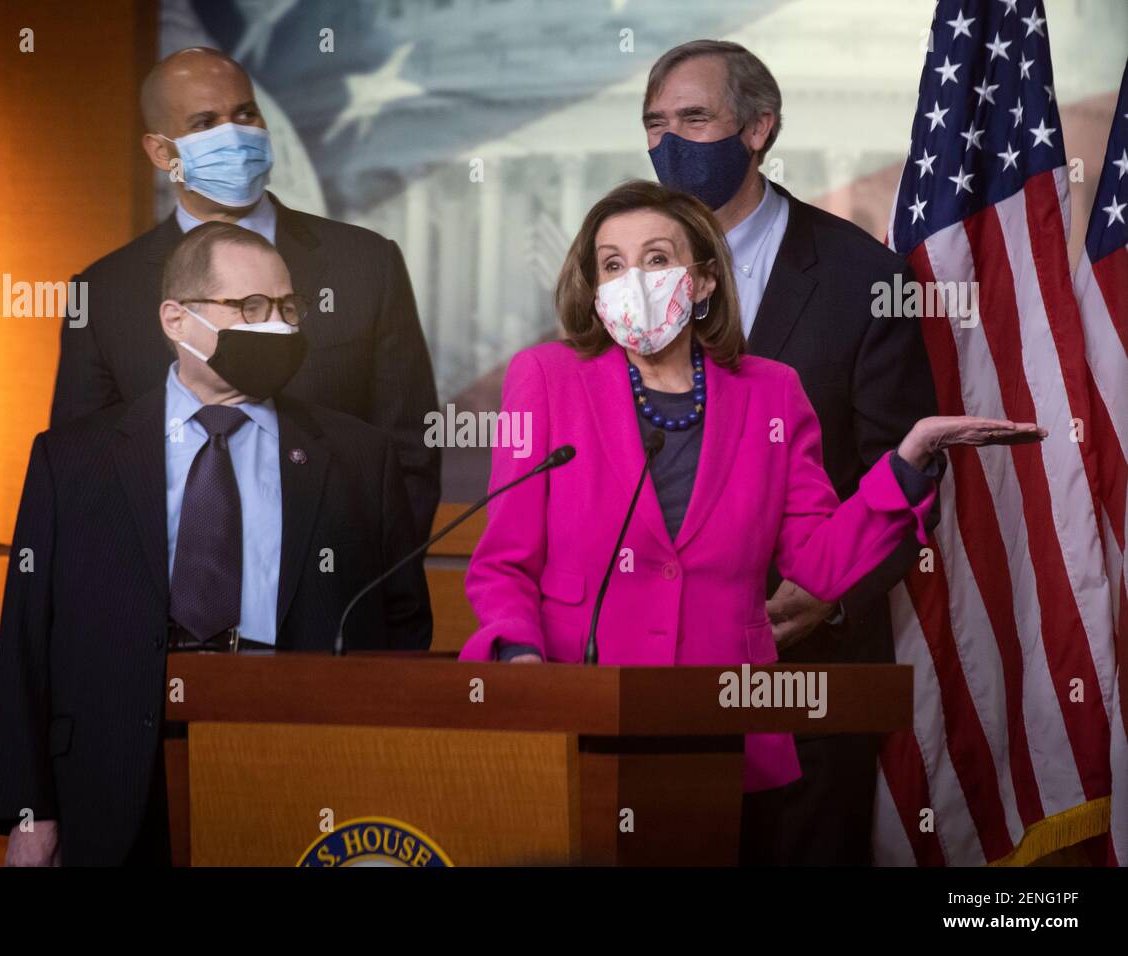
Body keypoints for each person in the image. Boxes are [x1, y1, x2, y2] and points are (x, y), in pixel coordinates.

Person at [458, 181, 1041, 817]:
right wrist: (518, 657)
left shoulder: (772, 393)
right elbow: (504, 562)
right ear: (595, 290)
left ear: (704, 280)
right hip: (576, 719)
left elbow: (817, 563)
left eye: (657, 259)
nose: (636, 280)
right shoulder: (546, 380)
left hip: (726, 725)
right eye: (614, 265)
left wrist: (909, 460)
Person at [0, 222, 432, 866]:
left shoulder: (360, 457)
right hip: (111, 783)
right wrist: (29, 811)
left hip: (304, 777)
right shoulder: (72, 460)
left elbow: (401, 627)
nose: (277, 327)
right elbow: (27, 640)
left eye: (287, 308)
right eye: (250, 308)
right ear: (176, 319)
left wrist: (386, 778)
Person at [641, 39, 940, 864]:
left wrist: (829, 592)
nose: (672, 143)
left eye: (695, 119)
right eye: (655, 124)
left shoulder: (860, 275)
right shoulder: (623, 269)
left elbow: (906, 467)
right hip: (652, 669)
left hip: (809, 663)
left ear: (760, 127)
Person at [50, 47, 441, 545]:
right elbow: (79, 469)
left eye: (245, 114)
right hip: (163, 604)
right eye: (204, 123)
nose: (233, 135)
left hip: (330, 593)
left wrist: (371, 594)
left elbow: (411, 449)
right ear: (161, 153)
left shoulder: (366, 264)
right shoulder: (104, 292)